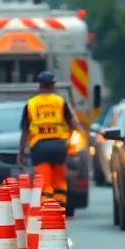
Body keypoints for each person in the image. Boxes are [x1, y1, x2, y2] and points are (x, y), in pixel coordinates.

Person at [18, 71, 79, 209]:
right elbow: (73, 125)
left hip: (39, 147)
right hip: (59, 145)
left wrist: (21, 153)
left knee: (44, 181)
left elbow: (25, 132)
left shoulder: (31, 104)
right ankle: (60, 208)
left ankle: (47, 208)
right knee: (59, 180)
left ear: (39, 86)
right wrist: (69, 141)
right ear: (52, 85)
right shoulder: (59, 102)